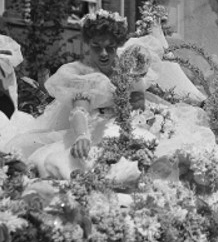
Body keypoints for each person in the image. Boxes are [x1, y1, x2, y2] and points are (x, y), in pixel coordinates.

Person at [3, 10, 150, 179]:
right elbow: (80, 109)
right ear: (88, 44)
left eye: (109, 48)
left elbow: (138, 107)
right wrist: (82, 136)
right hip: (90, 127)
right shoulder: (83, 73)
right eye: (96, 47)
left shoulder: (129, 69)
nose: (103, 54)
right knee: (49, 159)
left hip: (124, 126)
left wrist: (137, 122)